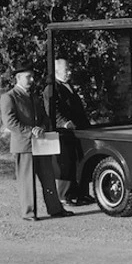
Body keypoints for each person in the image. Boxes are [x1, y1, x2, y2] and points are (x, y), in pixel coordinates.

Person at [0, 61, 74, 221]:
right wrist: (31, 131)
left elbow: (44, 117)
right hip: (24, 145)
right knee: (27, 181)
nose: (32, 80)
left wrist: (41, 127)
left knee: (48, 177)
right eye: (28, 77)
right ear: (18, 78)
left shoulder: (34, 97)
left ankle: (55, 209)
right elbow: (10, 122)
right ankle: (29, 213)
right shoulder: (9, 97)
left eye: (32, 76)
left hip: (40, 143)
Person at [43, 58, 95, 206]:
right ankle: (64, 196)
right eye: (66, 70)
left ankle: (81, 194)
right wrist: (64, 123)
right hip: (63, 132)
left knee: (80, 161)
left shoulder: (68, 85)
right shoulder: (52, 88)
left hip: (78, 130)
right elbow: (52, 110)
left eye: (69, 69)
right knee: (66, 164)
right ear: (57, 71)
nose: (70, 72)